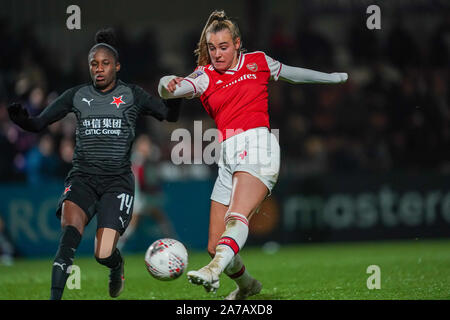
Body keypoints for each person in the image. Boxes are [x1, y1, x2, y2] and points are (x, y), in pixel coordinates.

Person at [158, 10, 347, 300]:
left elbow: (292, 74)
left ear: (237, 44)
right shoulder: (205, 76)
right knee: (214, 243)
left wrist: (331, 78)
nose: (218, 54)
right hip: (227, 156)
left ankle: (213, 269)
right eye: (212, 48)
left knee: (236, 218)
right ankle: (247, 285)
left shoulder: (257, 61)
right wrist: (167, 81)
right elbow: (172, 91)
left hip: (259, 145)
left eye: (224, 47)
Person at [7, 28, 181, 300]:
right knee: (68, 239)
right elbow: (39, 122)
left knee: (103, 254)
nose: (99, 69)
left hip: (117, 183)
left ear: (117, 66)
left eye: (105, 64)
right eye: (94, 64)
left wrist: (176, 96)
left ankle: (116, 265)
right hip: (82, 179)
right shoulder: (76, 95)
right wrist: (23, 121)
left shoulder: (132, 95)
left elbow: (169, 115)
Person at [117, 134, 178, 250]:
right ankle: (116, 246)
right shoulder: (137, 158)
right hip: (136, 195)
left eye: (147, 144)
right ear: (138, 146)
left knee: (159, 216)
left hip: (141, 195)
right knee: (132, 223)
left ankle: (173, 242)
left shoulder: (142, 158)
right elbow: (141, 179)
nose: (147, 147)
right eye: (144, 144)